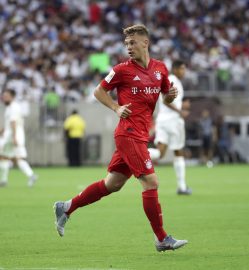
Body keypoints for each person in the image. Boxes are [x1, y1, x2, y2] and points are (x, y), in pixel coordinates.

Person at [54, 24, 188, 252]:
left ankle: (66, 207)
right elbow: (98, 91)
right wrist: (116, 107)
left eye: (132, 42)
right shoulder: (122, 70)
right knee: (150, 182)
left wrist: (170, 96)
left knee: (112, 184)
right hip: (128, 134)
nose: (128, 47)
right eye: (126, 44)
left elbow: (165, 97)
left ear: (145, 43)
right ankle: (161, 238)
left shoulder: (160, 69)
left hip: (140, 134)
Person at [148, 60, 192, 195]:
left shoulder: (172, 80)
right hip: (173, 121)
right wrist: (180, 111)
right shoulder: (172, 80)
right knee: (178, 152)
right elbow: (165, 99)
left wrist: (181, 106)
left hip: (162, 121)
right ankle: (182, 187)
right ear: (175, 69)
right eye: (182, 69)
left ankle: (137, 154)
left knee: (160, 154)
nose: (184, 72)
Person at [0, 89, 37, 187]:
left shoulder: (14, 107)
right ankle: (3, 180)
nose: (4, 98)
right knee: (4, 156)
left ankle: (31, 174)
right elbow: (9, 123)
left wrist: (14, 137)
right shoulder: (9, 107)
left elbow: (13, 122)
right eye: (3, 96)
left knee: (18, 158)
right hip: (9, 135)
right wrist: (3, 130)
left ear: (12, 97)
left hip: (14, 136)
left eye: (6, 96)